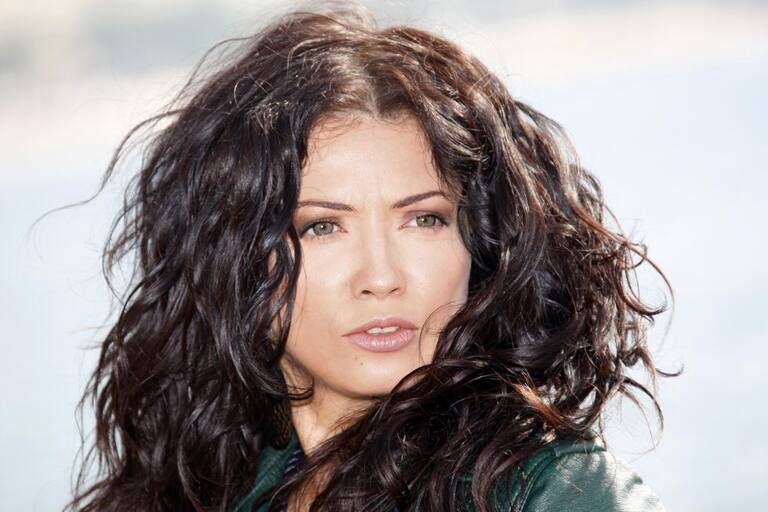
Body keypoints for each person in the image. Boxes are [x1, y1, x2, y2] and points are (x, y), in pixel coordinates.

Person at [64, 2, 680, 511]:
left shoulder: (552, 491)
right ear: (234, 256)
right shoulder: (200, 485)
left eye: (424, 219)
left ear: (482, 242)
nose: (381, 277)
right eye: (322, 227)